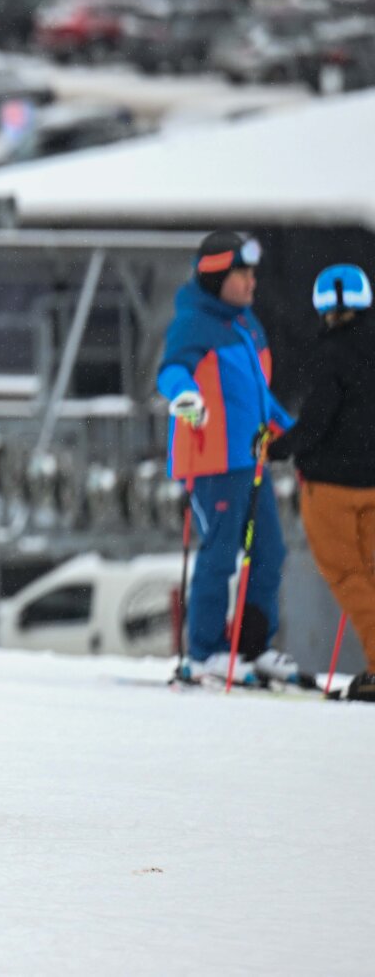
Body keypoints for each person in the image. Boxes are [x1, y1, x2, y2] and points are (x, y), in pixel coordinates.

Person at [157, 231, 301, 684]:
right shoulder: (193, 323)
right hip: (212, 462)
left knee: (270, 552)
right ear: (217, 277)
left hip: (250, 460)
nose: (252, 282)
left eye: (253, 273)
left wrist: (294, 434)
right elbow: (172, 370)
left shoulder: (246, 324)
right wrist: (184, 395)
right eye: (242, 274)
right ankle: (206, 652)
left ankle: (252, 646)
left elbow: (259, 394)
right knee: (220, 555)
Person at [266, 264, 375, 701]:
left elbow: (317, 422)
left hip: (331, 487)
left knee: (348, 576)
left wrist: (276, 447)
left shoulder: (330, 355)